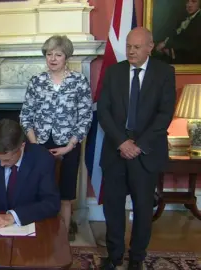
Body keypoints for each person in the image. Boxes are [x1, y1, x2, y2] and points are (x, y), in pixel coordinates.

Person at [97, 27, 176, 270]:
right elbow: (103, 111)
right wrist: (122, 142)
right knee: (113, 208)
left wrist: (138, 145)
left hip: (146, 153)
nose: (131, 51)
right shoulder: (113, 72)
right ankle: (115, 255)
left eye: (137, 47)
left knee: (143, 209)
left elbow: (164, 115)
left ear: (150, 47)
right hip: (115, 152)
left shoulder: (164, 73)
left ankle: (137, 259)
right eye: (129, 46)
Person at [19, 35, 92, 241]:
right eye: (49, 54)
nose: (52, 59)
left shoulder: (78, 81)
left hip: (69, 144)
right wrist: (35, 145)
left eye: (57, 54)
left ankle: (62, 235)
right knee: (39, 190)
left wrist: (70, 146)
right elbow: (26, 115)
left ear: (66, 57)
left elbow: (86, 116)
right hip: (39, 143)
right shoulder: (37, 81)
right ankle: (40, 233)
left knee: (66, 194)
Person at [0, 119, 60, 228]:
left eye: (7, 160)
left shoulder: (42, 159)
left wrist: (13, 216)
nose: (1, 164)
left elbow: (51, 204)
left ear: (22, 146)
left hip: (31, 226)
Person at [153, 0, 201, 64]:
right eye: (187, 1)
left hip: (189, 60)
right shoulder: (184, 17)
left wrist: (170, 50)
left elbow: (192, 45)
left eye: (194, 1)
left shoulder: (198, 20)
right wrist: (164, 43)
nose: (189, 5)